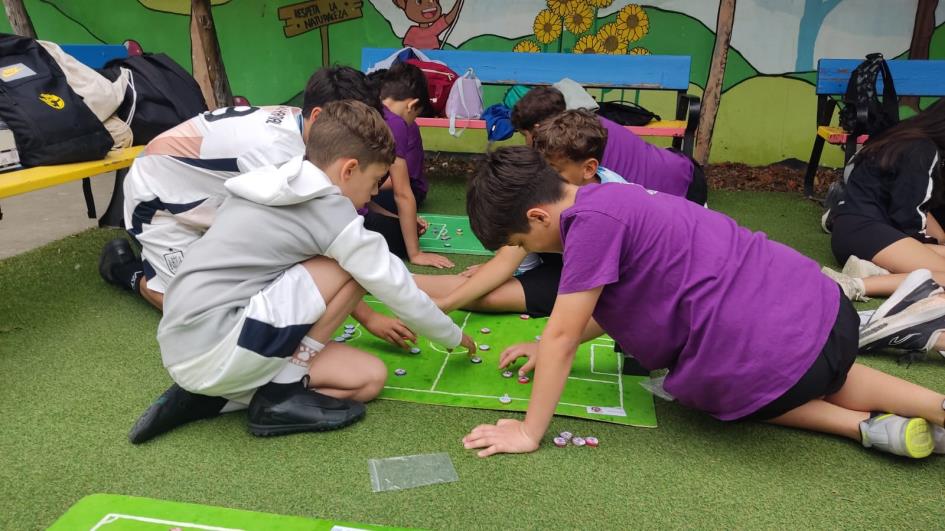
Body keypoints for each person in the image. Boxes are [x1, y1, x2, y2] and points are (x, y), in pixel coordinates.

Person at [460, 146, 945, 459]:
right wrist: (542, 346)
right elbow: (614, 305)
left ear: (538, 216)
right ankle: (932, 408)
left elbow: (564, 334)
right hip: (824, 313)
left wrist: (528, 432)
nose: (527, 251)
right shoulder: (615, 196)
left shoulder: (585, 226)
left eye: (521, 243)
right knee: (827, 370)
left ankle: (859, 426)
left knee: (720, 390)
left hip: (771, 353)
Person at [130, 101, 475, 442]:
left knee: (369, 379)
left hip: (185, 347)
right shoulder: (331, 212)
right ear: (349, 169)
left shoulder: (273, 176)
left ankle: (211, 399)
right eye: (374, 180)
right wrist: (451, 335)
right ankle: (279, 394)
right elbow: (395, 285)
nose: (373, 192)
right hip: (218, 343)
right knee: (353, 266)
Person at [97, 66, 415, 349]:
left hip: (207, 193)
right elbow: (311, 241)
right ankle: (128, 272)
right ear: (319, 116)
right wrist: (370, 317)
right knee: (190, 312)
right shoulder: (278, 154)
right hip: (157, 199)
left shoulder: (308, 128)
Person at [415, 110, 628, 320]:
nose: (546, 179)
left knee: (494, 297)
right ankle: (402, 280)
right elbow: (507, 260)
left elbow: (587, 304)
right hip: (557, 258)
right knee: (484, 285)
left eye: (554, 171)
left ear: (588, 169)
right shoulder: (548, 194)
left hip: (598, 276)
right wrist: (448, 303)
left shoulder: (608, 207)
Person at [821, 99, 945, 301]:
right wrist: (927, 246)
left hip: (852, 229)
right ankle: (852, 285)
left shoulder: (903, 136)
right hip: (868, 232)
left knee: (938, 245)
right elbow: (909, 218)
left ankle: (876, 272)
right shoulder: (923, 149)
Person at [510, 86, 707, 204]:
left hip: (684, 187)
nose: (527, 143)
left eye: (524, 135)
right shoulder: (583, 125)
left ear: (537, 129)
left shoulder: (574, 147)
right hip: (678, 166)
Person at [365, 62, 453, 268]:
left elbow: (362, 196)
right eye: (415, 116)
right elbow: (402, 193)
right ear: (411, 105)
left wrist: (395, 217)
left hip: (337, 209)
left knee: (402, 225)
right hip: (349, 218)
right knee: (403, 239)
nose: (412, 122)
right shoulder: (396, 124)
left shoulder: (367, 110)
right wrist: (415, 254)